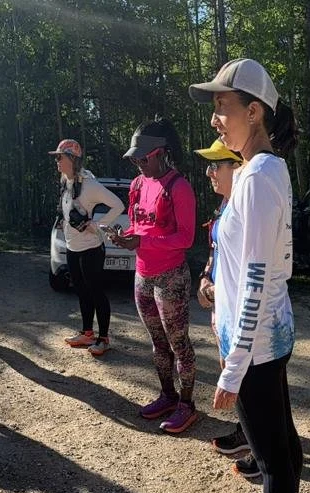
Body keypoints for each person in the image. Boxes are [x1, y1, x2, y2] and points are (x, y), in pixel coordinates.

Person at [190, 57, 304, 493]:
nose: (216, 117)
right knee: (281, 439)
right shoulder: (266, 170)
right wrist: (218, 289)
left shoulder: (257, 179)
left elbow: (259, 277)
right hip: (267, 337)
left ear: (253, 111)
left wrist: (233, 369)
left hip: (255, 344)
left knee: (270, 456)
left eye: (222, 105)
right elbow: (254, 266)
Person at [115, 119, 200, 434]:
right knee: (157, 342)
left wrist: (142, 241)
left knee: (179, 343)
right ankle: (167, 395)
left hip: (171, 278)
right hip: (143, 275)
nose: (138, 163)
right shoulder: (138, 185)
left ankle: (187, 405)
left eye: (143, 158)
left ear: (161, 153)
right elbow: (138, 225)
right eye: (135, 158)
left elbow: (186, 238)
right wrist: (124, 236)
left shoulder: (179, 187)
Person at [195, 138, 258, 480]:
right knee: (230, 371)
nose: (209, 173)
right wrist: (206, 279)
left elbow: (255, 267)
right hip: (222, 307)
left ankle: (256, 445)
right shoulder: (223, 208)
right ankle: (245, 434)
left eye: (215, 165)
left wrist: (224, 290)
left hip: (240, 309)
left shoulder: (248, 209)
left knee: (245, 378)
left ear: (238, 168)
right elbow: (215, 253)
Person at [49, 139, 125, 357]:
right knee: (81, 290)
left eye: (60, 157)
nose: (57, 161)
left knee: (96, 292)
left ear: (72, 159)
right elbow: (66, 208)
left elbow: (117, 205)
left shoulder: (89, 184)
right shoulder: (66, 181)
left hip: (91, 248)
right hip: (73, 247)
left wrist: (97, 225)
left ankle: (104, 338)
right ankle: (87, 332)